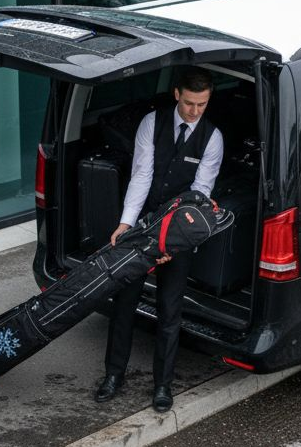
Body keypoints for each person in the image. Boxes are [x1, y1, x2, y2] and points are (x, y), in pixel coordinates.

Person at [95, 67, 223, 413]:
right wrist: (126, 223)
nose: (195, 111)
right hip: (143, 224)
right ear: (176, 94)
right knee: (125, 301)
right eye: (190, 103)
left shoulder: (213, 138)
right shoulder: (152, 124)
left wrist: (172, 244)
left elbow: (199, 194)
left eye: (203, 104)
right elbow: (142, 175)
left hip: (180, 229)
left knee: (170, 309)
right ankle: (113, 375)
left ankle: (163, 385)